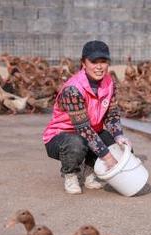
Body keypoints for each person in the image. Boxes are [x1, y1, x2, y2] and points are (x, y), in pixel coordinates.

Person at [42, 40, 132, 194]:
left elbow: (112, 114)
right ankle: (70, 175)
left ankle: (89, 172)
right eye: (93, 61)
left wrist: (118, 136)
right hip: (61, 137)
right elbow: (83, 128)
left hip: (90, 132)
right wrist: (108, 158)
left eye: (103, 61)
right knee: (77, 143)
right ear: (84, 63)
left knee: (123, 149)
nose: (99, 66)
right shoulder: (73, 89)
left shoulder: (109, 82)